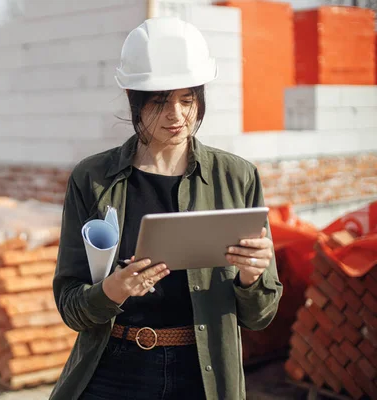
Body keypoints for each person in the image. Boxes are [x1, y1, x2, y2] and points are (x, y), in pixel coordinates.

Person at [50, 17, 282, 400]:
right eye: (160, 101)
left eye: (187, 99)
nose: (176, 115)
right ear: (134, 101)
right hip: (113, 371)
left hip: (201, 375)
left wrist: (250, 277)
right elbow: (71, 308)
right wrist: (112, 291)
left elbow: (260, 317)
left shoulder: (237, 177)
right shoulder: (92, 179)